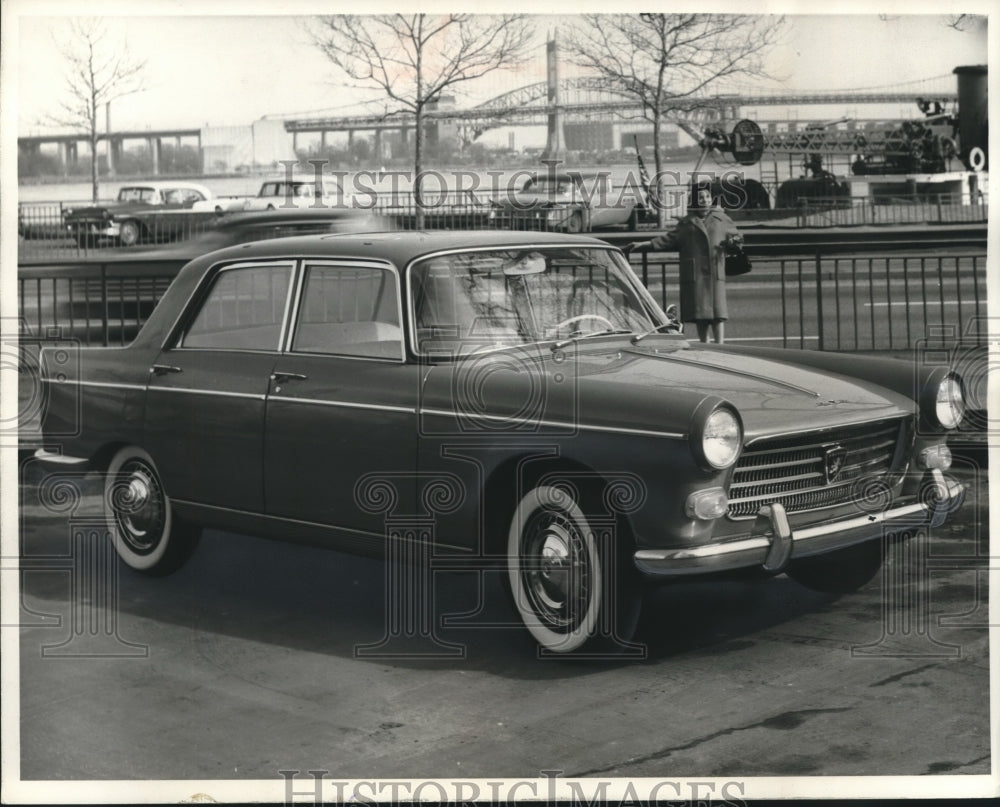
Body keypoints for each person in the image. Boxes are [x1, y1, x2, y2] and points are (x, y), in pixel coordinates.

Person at [624, 183, 743, 344]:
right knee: (701, 316)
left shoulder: (721, 218)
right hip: (697, 275)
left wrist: (732, 243)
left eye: (707, 196)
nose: (704, 200)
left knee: (718, 315)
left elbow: (737, 238)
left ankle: (720, 345)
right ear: (694, 200)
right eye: (700, 197)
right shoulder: (687, 223)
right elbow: (666, 240)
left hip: (715, 271)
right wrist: (642, 244)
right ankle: (704, 345)